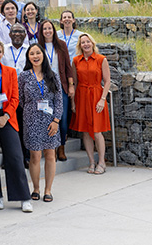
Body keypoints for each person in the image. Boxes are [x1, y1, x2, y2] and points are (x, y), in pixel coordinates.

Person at [0, 40, 33, 212]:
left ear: (2, 54)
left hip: (7, 117)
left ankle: (23, 197)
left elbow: (15, 98)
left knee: (14, 156)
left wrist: (6, 116)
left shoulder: (11, 72)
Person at [18, 43, 63, 203]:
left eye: (38, 53)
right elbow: (20, 100)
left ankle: (48, 190)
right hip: (31, 120)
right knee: (35, 156)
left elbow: (58, 100)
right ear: (28, 57)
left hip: (51, 121)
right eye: (32, 54)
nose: (35, 56)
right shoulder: (23, 76)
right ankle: (36, 188)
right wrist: (31, 112)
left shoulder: (53, 75)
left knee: (50, 155)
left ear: (43, 55)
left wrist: (56, 120)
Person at [71, 33, 112, 175]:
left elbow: (107, 81)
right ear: (80, 45)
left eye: (88, 42)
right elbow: (75, 83)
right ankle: (91, 162)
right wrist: (73, 102)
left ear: (92, 43)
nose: (86, 44)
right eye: (83, 42)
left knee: (97, 131)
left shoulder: (101, 59)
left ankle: (102, 162)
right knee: (85, 132)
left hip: (96, 96)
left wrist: (102, 99)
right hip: (81, 96)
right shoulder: (76, 60)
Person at [39, 20, 76, 162]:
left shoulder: (61, 45)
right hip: (45, 87)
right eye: (44, 29)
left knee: (63, 119)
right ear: (41, 32)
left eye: (49, 28)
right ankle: (51, 149)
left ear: (53, 30)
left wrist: (71, 85)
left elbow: (67, 66)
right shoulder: (38, 46)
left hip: (61, 86)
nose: (47, 31)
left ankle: (61, 147)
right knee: (48, 118)